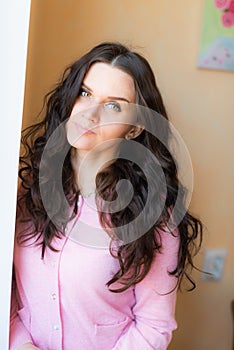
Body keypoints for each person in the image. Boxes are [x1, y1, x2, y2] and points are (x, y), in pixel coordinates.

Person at [9, 42, 203, 350]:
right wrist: (21, 345)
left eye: (113, 106)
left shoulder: (153, 217)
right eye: (85, 93)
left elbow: (154, 327)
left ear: (134, 128)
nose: (90, 114)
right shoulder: (25, 194)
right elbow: (11, 295)